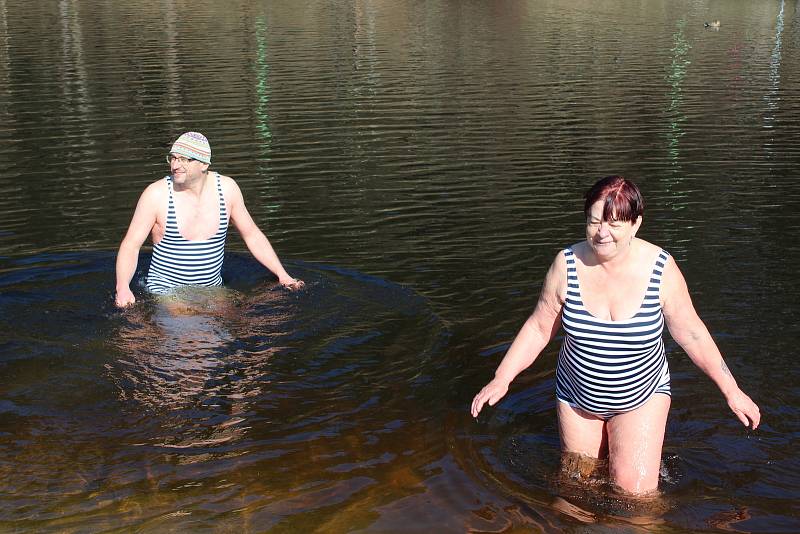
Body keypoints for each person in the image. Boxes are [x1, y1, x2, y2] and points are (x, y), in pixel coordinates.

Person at [470, 175, 760, 495]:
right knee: (575, 491)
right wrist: (502, 377)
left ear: (636, 224)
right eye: (594, 222)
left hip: (640, 399)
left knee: (636, 497)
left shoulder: (661, 270)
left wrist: (732, 391)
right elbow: (539, 328)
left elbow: (692, 335)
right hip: (577, 398)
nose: (601, 233)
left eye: (614, 224)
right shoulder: (566, 265)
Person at [115, 132, 303, 307]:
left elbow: (252, 234)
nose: (175, 165)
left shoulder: (227, 190)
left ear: (204, 164)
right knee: (194, 332)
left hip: (212, 290)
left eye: (184, 159)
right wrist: (122, 288)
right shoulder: (156, 195)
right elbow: (131, 244)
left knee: (253, 326)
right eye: (172, 158)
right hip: (167, 292)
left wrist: (283, 275)